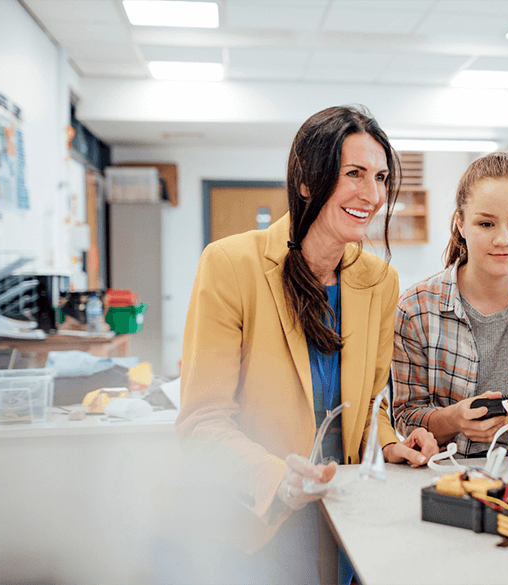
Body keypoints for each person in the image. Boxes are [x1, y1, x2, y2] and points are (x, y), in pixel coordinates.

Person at [175, 105, 438, 583]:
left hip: (348, 510)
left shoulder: (379, 280)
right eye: (353, 174)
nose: (372, 194)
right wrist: (277, 479)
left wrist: (391, 444)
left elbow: (371, 405)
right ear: (306, 181)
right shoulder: (231, 265)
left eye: (380, 177)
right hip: (260, 520)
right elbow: (201, 421)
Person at [392, 152, 508, 457]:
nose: (503, 239)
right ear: (461, 224)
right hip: (448, 474)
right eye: (486, 223)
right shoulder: (416, 308)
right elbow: (405, 417)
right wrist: (454, 419)